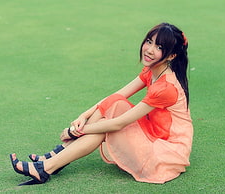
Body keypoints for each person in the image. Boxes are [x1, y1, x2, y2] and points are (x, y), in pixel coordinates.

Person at [10, 22, 193, 185]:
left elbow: (119, 123)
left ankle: (48, 165)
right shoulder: (152, 71)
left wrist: (76, 131)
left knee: (106, 127)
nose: (149, 49)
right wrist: (83, 115)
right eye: (149, 41)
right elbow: (116, 95)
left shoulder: (166, 87)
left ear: (171, 56)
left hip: (163, 153)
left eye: (159, 47)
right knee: (115, 102)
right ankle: (54, 160)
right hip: (152, 133)